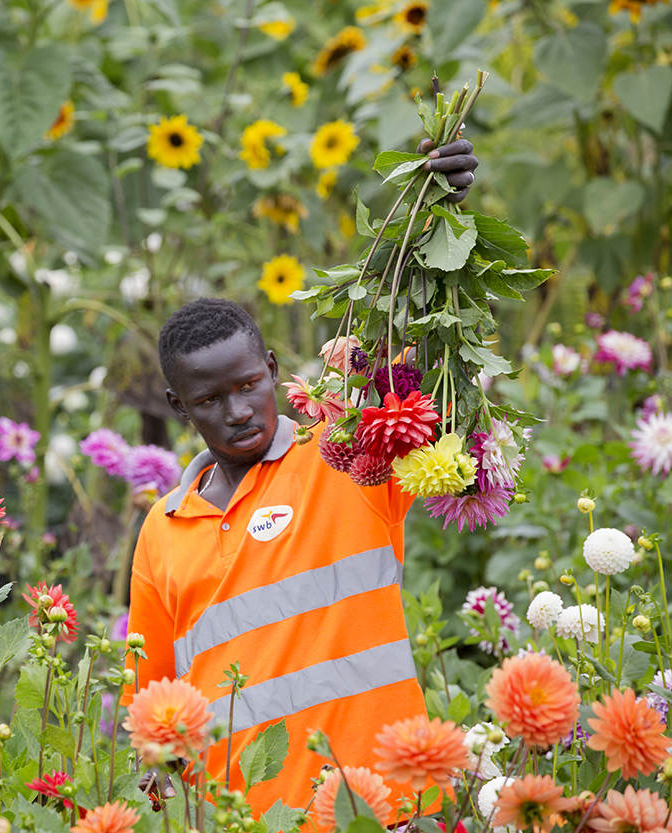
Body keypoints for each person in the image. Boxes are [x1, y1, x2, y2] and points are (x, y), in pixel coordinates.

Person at [122, 141, 479, 815]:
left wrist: (443, 217)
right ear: (179, 407)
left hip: (385, 811)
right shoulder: (161, 532)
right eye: (209, 400)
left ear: (273, 367)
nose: (237, 411)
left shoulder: (346, 454)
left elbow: (432, 358)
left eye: (250, 384)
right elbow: (154, 716)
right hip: (248, 824)